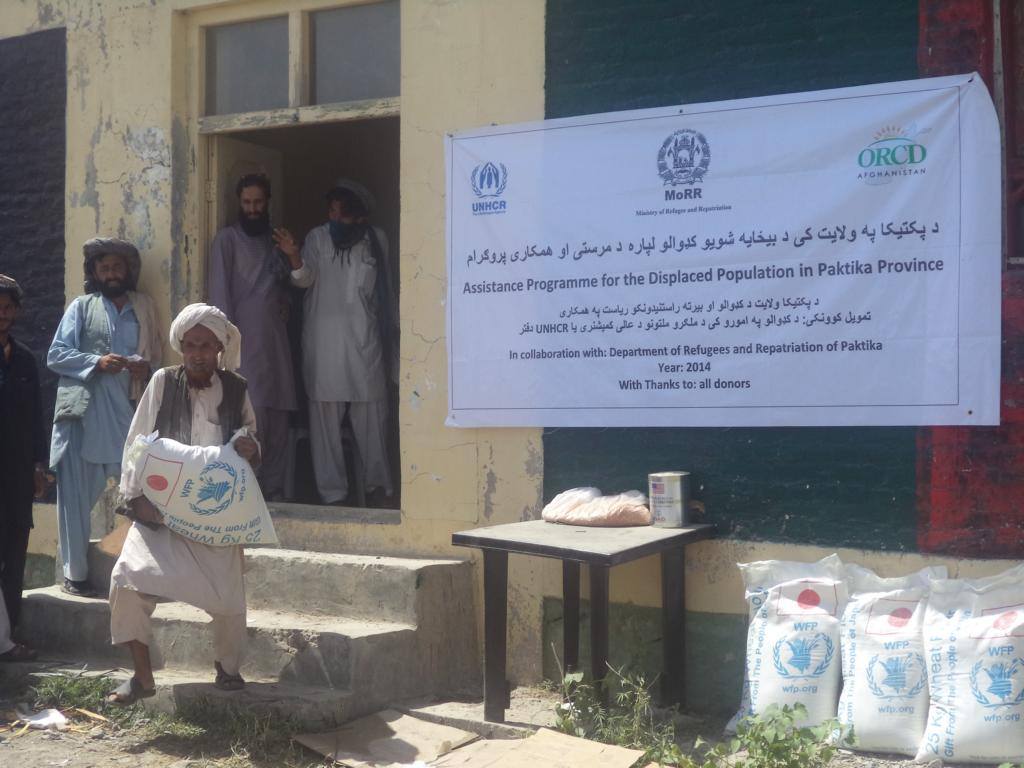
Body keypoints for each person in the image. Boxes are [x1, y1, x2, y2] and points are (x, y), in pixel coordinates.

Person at [106, 303, 260, 704]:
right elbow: (137, 441)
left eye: (205, 345)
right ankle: (142, 677)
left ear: (219, 349)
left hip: (214, 515)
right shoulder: (162, 381)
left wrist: (250, 447)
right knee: (126, 581)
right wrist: (133, 497)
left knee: (228, 602)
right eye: (190, 345)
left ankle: (227, 669)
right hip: (159, 511)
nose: (197, 353)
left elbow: (252, 441)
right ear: (181, 346)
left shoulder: (237, 389)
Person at [47, 239, 162, 597]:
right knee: (75, 499)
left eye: (117, 268)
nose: (112, 274)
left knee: (141, 493)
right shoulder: (81, 308)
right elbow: (56, 354)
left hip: (129, 414)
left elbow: (157, 355)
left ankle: (145, 574)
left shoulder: (144, 307)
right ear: (95, 273)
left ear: (128, 271)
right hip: (85, 414)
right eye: (105, 268)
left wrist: (145, 365)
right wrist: (96, 362)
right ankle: (75, 574)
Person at [280, 178, 398, 505]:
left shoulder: (376, 240)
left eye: (342, 214)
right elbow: (304, 279)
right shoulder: (318, 238)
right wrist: (293, 256)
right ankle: (333, 495)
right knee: (324, 425)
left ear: (359, 217)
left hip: (365, 344)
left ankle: (378, 489)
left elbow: (384, 292)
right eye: (331, 212)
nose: (335, 220)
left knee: (373, 418)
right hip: (323, 344)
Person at [208, 173, 297, 500]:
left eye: (258, 202)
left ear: (267, 202)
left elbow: (291, 284)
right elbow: (220, 298)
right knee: (252, 415)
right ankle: (249, 493)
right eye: (247, 203)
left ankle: (274, 490)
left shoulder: (275, 241)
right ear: (239, 203)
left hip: (276, 341)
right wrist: (223, 348)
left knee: (278, 415)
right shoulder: (227, 241)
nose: (253, 208)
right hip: (243, 345)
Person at [0, 274, 44, 661]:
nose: (2, 314)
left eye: (7, 307)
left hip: (15, 478)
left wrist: (38, 465)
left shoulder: (26, 360)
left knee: (14, 557)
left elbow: (35, 418)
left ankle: (10, 637)